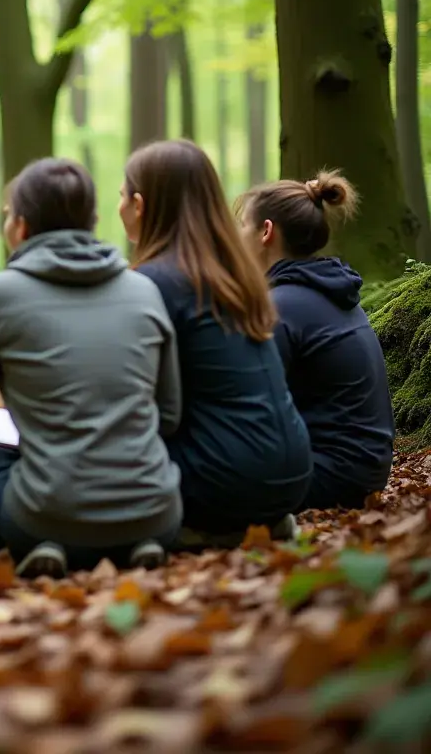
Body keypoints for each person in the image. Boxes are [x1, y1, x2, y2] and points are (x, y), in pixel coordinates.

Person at [0, 157, 184, 579]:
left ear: (20, 227)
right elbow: (167, 415)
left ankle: (41, 539)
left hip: (44, 515)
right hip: (158, 516)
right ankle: (130, 540)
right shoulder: (143, 290)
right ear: (92, 221)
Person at [119, 139, 313, 547]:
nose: (118, 207)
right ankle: (255, 520)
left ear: (139, 205)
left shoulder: (151, 283)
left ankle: (205, 528)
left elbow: (135, 398)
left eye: (122, 196)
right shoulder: (237, 273)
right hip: (293, 474)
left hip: (223, 478)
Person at [237, 170, 393, 510]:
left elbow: (250, 408)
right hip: (361, 470)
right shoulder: (324, 290)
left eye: (242, 227)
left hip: (331, 478)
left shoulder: (283, 306)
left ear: (265, 232)